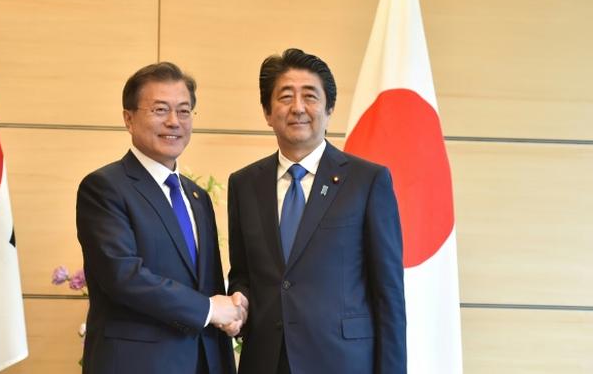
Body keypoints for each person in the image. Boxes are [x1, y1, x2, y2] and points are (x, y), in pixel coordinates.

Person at [227, 48, 406, 374]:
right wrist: (239, 298)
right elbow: (242, 273)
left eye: (310, 96)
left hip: (342, 361)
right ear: (268, 112)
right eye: (285, 97)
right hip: (266, 361)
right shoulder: (243, 184)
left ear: (329, 107)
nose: (298, 107)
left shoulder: (367, 181)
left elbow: (388, 293)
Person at [77, 62, 245, 374]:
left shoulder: (197, 197)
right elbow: (122, 276)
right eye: (159, 110)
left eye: (184, 111)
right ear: (129, 118)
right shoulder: (104, 188)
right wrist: (210, 309)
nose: (173, 122)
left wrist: (233, 310)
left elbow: (206, 284)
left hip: (205, 362)